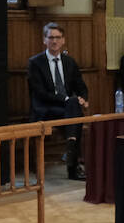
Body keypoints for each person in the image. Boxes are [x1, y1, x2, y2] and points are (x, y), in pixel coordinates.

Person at [28, 22, 89, 180]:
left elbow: (81, 86)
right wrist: (68, 99)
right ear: (44, 40)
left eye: (57, 37)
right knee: (75, 112)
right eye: (51, 38)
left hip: (67, 109)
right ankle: (73, 168)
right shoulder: (35, 62)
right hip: (45, 109)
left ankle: (70, 145)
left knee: (74, 107)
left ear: (63, 40)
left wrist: (83, 98)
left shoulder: (69, 62)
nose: (54, 41)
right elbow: (40, 93)